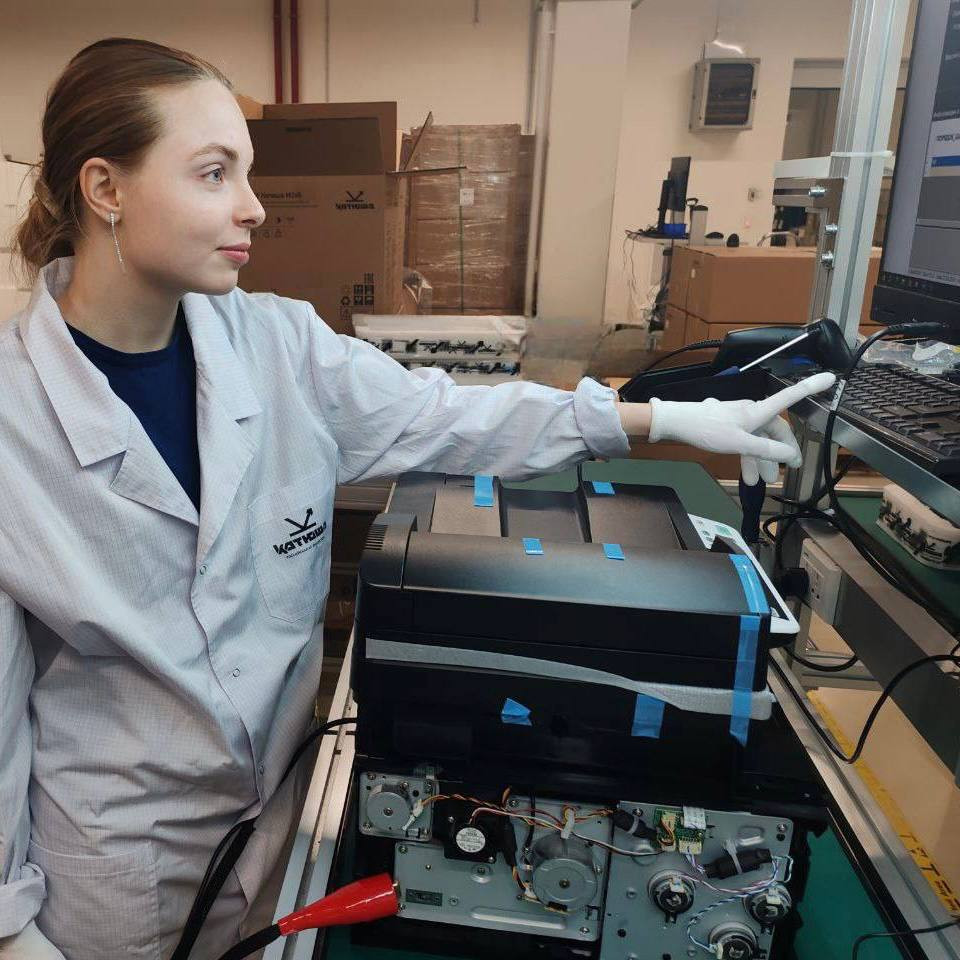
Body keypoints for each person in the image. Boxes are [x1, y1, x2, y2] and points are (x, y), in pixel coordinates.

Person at [0, 37, 834, 960]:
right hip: (113, 881)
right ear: (106, 189)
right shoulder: (12, 423)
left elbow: (448, 415)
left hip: (279, 832)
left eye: (248, 171)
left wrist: (662, 417)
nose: (253, 205)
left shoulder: (275, 346)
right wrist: (9, 928)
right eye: (213, 173)